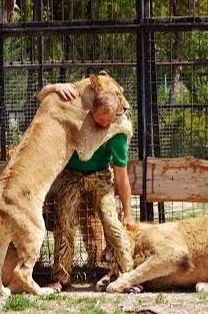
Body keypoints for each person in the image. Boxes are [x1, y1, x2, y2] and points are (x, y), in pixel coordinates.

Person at [37, 81, 135, 292]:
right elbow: (41, 97)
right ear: (91, 111)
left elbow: (121, 177)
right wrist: (54, 87)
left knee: (111, 222)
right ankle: (60, 278)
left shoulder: (117, 133)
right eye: (100, 120)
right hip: (72, 175)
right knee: (64, 221)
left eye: (109, 121)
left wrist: (128, 212)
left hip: (100, 176)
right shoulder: (77, 115)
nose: (104, 125)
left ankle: (127, 275)